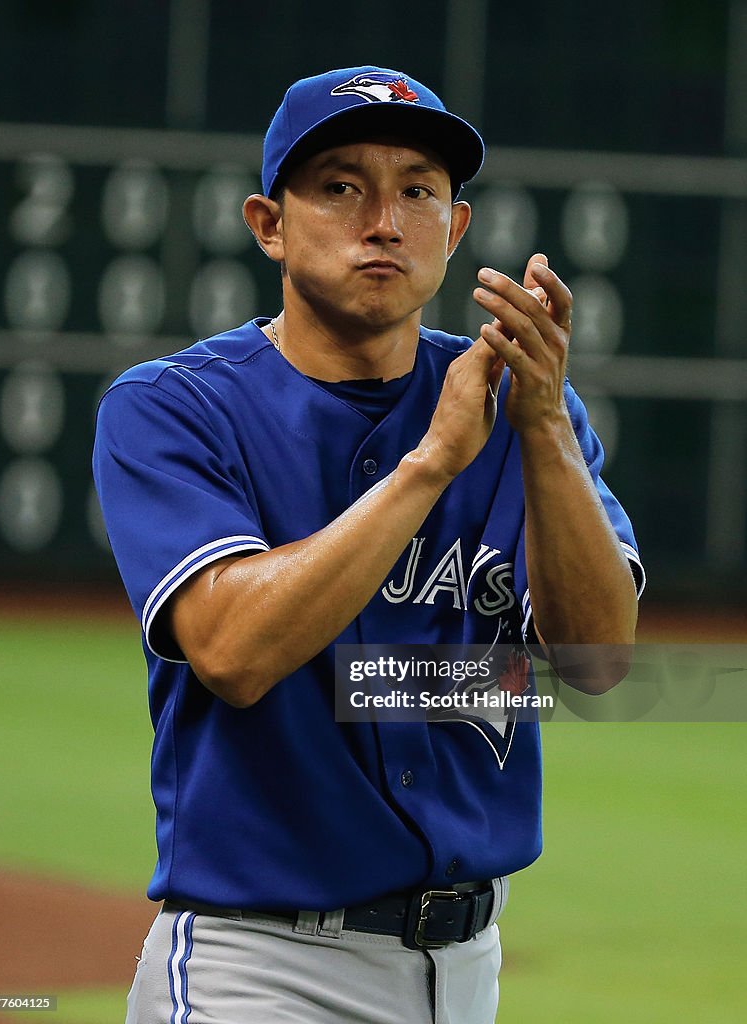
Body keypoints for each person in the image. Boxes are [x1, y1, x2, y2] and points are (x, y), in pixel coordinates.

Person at [93, 65, 644, 1024]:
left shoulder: (525, 405)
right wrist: (429, 465)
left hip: (468, 964)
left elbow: (594, 662)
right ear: (269, 223)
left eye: (417, 190)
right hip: (259, 964)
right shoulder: (174, 407)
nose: (383, 220)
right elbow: (231, 652)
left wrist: (548, 429)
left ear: (455, 229)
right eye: (342, 186)